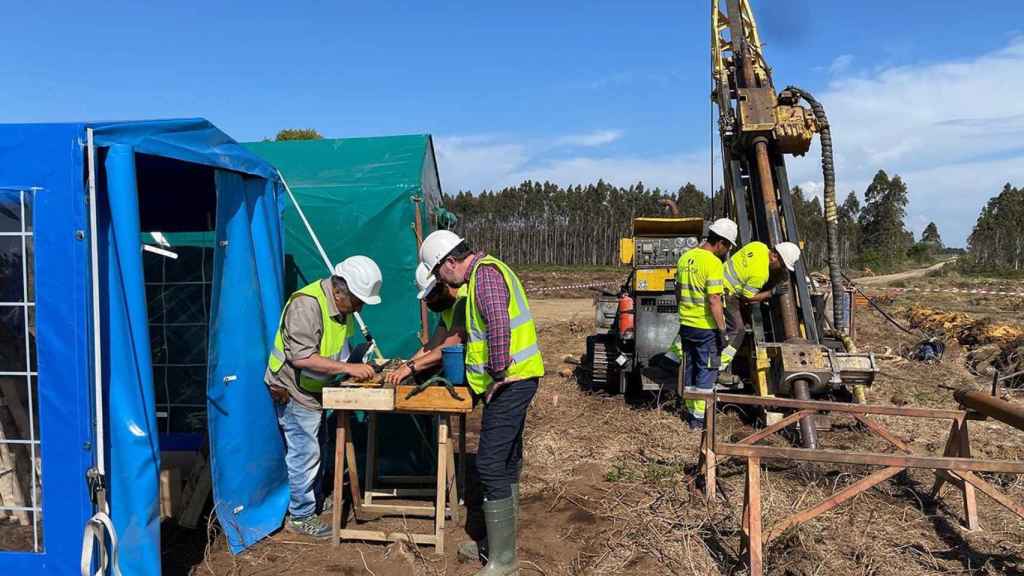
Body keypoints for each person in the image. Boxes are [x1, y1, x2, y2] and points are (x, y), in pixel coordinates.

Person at [419, 230, 543, 576]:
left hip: (511, 382)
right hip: (514, 381)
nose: (442, 281)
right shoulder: (482, 276)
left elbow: (499, 324)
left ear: (449, 262)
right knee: (504, 460)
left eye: (438, 272)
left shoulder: (485, 275)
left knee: (488, 464)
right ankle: (498, 544)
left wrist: (498, 371)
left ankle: (504, 561)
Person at [264, 255, 383, 539]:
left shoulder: (342, 308)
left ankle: (314, 498)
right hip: (293, 389)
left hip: (316, 388)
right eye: (357, 300)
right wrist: (348, 367)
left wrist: (353, 363)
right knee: (305, 453)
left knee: (319, 445)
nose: (360, 307)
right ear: (339, 291)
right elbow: (303, 357)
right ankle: (302, 514)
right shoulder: (307, 304)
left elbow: (335, 348)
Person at [676, 218, 737, 429]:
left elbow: (678, 292)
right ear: (720, 242)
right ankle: (699, 421)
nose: (726, 251)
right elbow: (714, 300)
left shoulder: (685, 258)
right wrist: (722, 330)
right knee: (707, 371)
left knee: (690, 369)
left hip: (686, 325)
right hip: (705, 328)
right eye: (727, 246)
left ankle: (690, 413)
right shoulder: (713, 263)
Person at [719, 241, 802, 371]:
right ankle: (719, 367)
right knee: (738, 330)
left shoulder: (758, 246)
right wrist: (771, 292)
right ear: (774, 256)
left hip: (717, 279)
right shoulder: (761, 274)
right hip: (725, 293)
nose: (781, 269)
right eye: (782, 265)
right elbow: (747, 297)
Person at [384, 263, 468, 385]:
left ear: (444, 282)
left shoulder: (463, 300)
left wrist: (410, 367)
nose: (432, 301)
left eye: (432, 295)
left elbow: (448, 346)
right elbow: (432, 346)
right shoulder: (447, 308)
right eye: (428, 298)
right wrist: (405, 366)